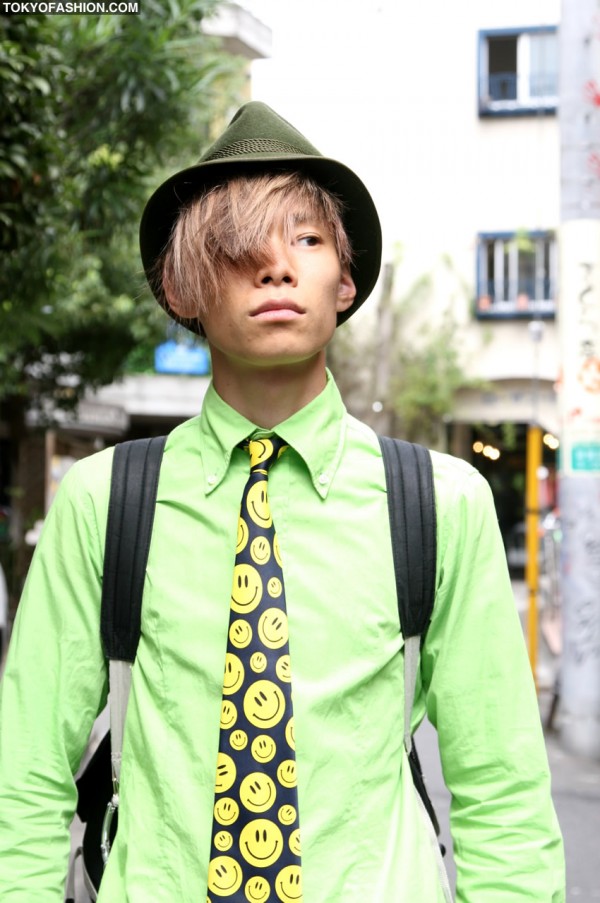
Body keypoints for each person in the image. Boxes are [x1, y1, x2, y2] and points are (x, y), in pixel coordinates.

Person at [0, 102, 564, 902]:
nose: (277, 267)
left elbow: (501, 791)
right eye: (239, 249)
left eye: (306, 239)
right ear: (182, 286)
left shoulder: (441, 502)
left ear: (347, 278)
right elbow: (23, 777)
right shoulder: (105, 501)